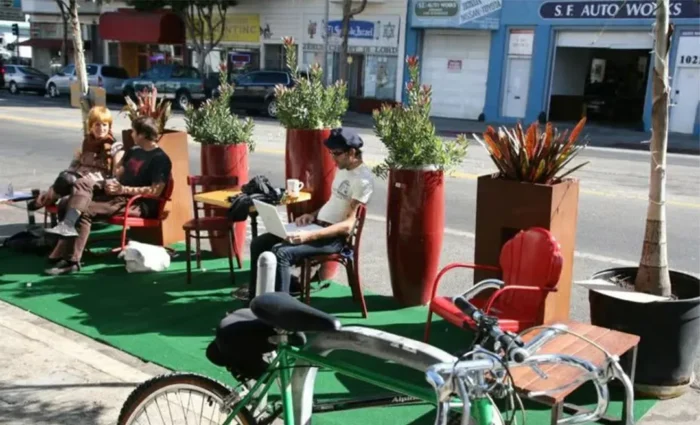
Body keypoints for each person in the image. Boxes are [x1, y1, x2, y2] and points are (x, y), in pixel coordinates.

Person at [248, 127, 374, 297]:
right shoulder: (343, 170)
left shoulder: (363, 181)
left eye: (336, 153)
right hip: (317, 227)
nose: (333, 158)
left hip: (333, 238)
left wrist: (309, 236)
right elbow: (334, 202)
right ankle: (255, 298)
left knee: (281, 252)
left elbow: (347, 226)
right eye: (331, 153)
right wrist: (312, 215)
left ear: (351, 152)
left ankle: (281, 308)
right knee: (259, 243)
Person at [44, 116, 172, 275]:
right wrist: (112, 181)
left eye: (134, 131)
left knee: (84, 211)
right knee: (75, 190)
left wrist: (123, 189)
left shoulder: (160, 159)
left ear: (143, 134)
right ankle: (66, 234)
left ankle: (72, 261)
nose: (131, 134)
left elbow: (155, 191)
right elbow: (119, 174)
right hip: (118, 193)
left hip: (136, 203)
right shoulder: (134, 151)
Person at [31, 106, 124, 211]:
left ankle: (43, 199)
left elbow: (116, 174)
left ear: (109, 126)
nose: (101, 128)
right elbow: (74, 165)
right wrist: (65, 177)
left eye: (104, 125)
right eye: (97, 124)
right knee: (65, 178)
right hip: (76, 178)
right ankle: (48, 198)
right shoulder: (85, 143)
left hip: (95, 183)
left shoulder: (115, 146)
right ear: (91, 126)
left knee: (68, 182)